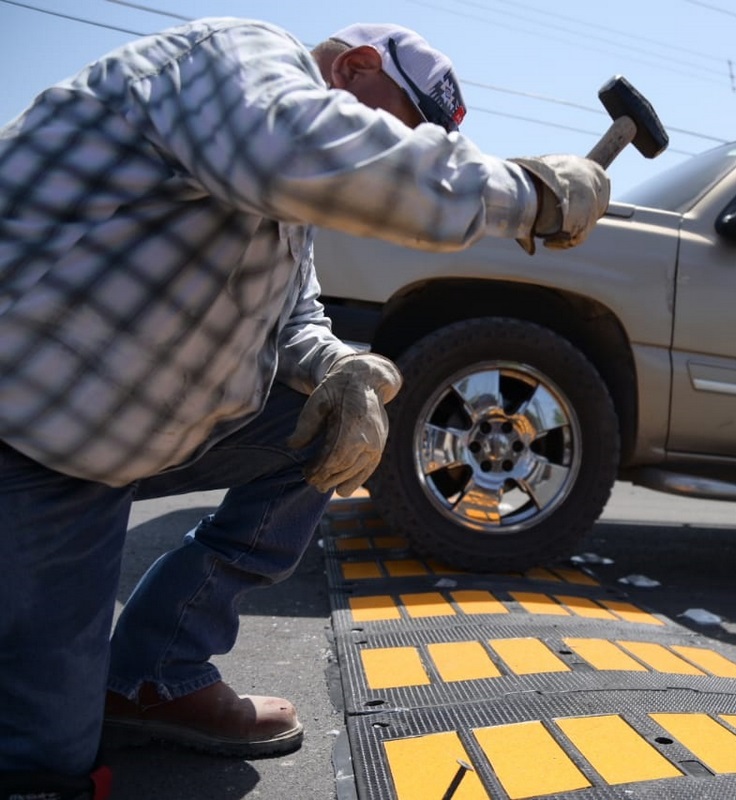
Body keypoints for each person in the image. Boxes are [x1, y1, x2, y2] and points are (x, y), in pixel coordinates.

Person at [0, 16, 610, 799]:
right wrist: (521, 191)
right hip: (28, 439)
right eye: (407, 125)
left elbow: (296, 321)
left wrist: (345, 372)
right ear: (353, 68)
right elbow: (306, 148)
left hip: (110, 431)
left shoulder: (287, 207)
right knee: (41, 757)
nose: (400, 148)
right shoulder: (233, 59)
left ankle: (156, 673)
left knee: (320, 430)